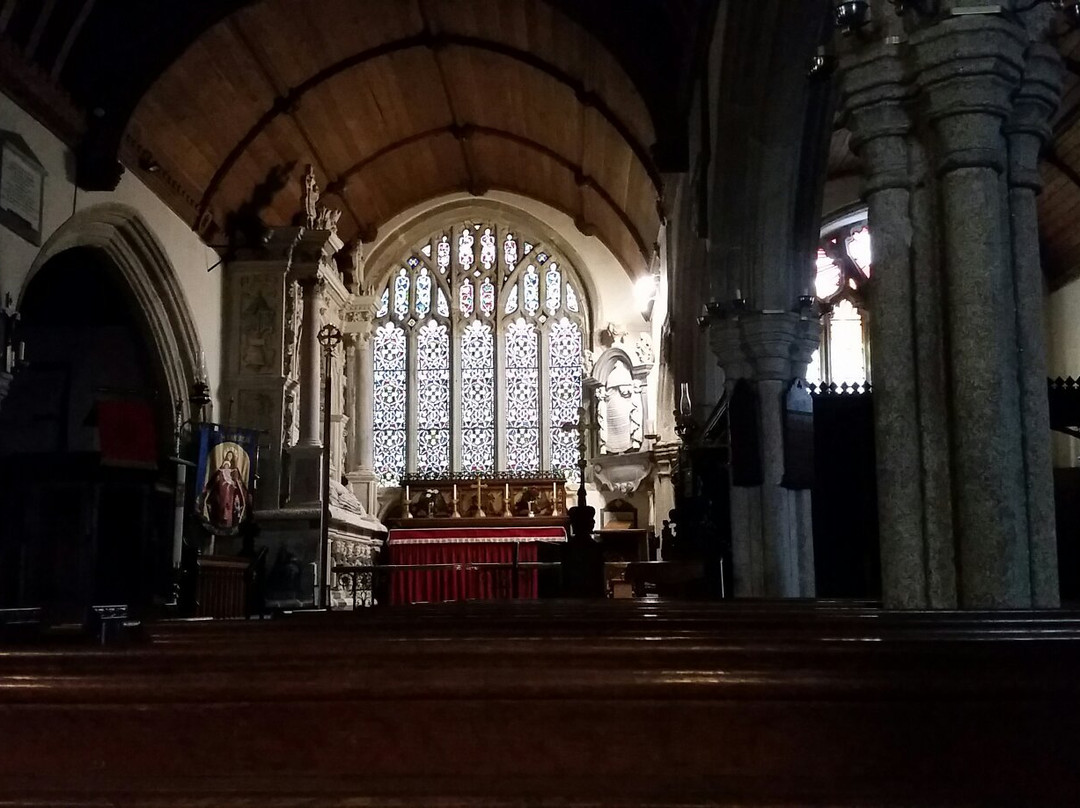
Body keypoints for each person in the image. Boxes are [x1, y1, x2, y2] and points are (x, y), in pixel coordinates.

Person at [203, 450, 248, 531]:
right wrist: (207, 486)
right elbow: (214, 477)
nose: (229, 458)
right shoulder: (221, 468)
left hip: (232, 491)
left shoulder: (235, 470)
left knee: (230, 506)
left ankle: (230, 522)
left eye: (231, 456)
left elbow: (240, 480)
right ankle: (219, 521)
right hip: (221, 490)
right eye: (228, 456)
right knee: (221, 504)